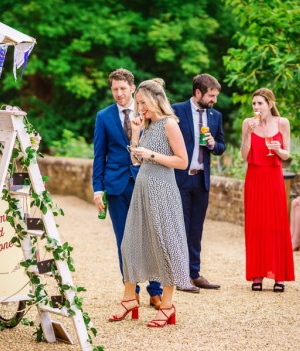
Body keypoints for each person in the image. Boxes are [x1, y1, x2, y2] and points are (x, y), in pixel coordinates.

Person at [109, 78, 190, 327]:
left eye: (142, 102)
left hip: (162, 190)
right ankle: (129, 300)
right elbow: (136, 161)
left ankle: (167, 305)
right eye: (138, 103)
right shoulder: (146, 125)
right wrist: (135, 133)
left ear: (156, 100)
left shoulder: (169, 124)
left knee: (164, 245)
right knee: (130, 244)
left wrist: (152, 154)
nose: (139, 107)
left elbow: (182, 161)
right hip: (142, 189)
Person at [92, 69, 163, 309]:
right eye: (115, 89)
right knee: (124, 241)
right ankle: (131, 292)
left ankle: (156, 290)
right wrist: (97, 189)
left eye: (123, 88)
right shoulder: (103, 116)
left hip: (146, 181)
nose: (119, 93)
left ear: (132, 88)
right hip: (116, 186)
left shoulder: (148, 112)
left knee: (151, 237)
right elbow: (99, 155)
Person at [172, 74, 226, 293]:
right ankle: (180, 275)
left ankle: (194, 273)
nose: (214, 100)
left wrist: (214, 144)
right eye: (211, 96)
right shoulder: (176, 111)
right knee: (180, 228)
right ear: (198, 93)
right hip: (180, 178)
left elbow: (222, 147)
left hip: (202, 179)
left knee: (196, 229)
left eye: (215, 96)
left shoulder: (215, 115)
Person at [241, 88, 295, 291]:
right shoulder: (247, 123)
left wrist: (278, 150)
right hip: (254, 177)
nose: (256, 107)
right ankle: (257, 274)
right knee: (256, 225)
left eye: (260, 103)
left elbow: (287, 154)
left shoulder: (283, 123)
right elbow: (243, 155)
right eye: (254, 103)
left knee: (277, 225)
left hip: (274, 178)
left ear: (270, 104)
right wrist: (247, 133)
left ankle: (279, 275)